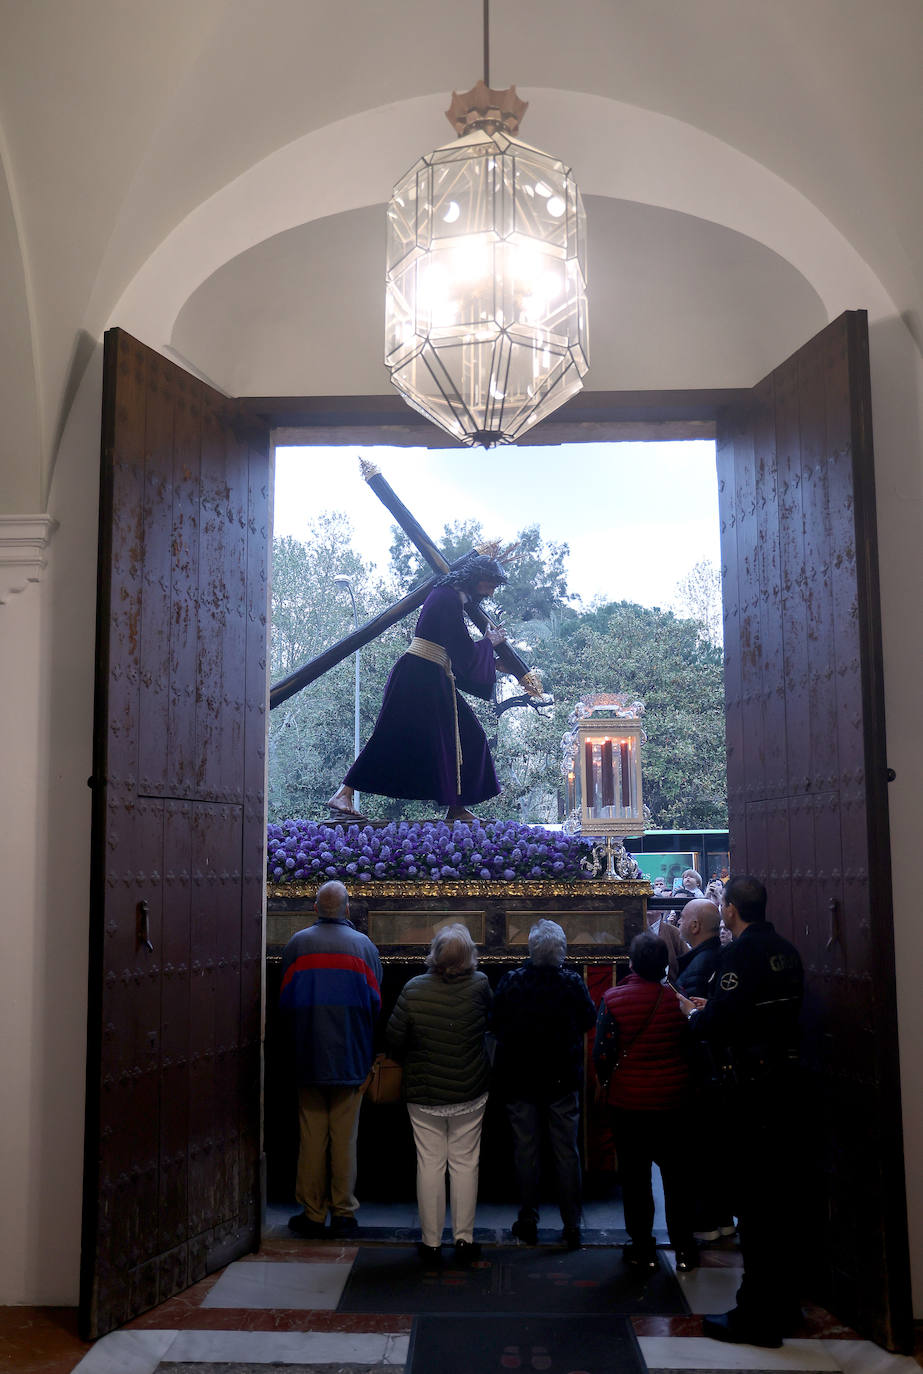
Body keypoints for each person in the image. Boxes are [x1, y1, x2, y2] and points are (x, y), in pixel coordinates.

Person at [678, 875, 804, 1347]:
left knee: (756, 1203)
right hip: (786, 1081)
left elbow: (725, 1019)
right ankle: (785, 1303)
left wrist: (697, 1015)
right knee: (780, 1203)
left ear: (729, 909)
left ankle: (757, 1314)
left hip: (752, 1089)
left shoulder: (739, 954)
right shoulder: (787, 950)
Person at [328, 555, 508, 822]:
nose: (492, 591)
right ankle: (343, 794)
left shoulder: (449, 597)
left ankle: (457, 807)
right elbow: (462, 650)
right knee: (390, 738)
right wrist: (488, 643)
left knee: (467, 737)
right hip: (418, 677)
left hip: (430, 676)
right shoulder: (447, 597)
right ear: (476, 577)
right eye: (491, 584)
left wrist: (489, 661)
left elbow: (454, 654)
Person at [279, 880, 382, 1238]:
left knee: (311, 1137)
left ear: (314, 908)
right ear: (348, 909)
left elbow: (285, 1003)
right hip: (350, 1057)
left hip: (307, 1055)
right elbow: (375, 1003)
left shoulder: (297, 945)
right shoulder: (364, 947)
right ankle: (343, 1211)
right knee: (344, 1138)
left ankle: (312, 1212)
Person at [387, 922, 492, 1266]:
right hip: (469, 1090)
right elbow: (489, 1024)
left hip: (425, 1092)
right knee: (465, 1164)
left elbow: (394, 1040)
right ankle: (464, 1239)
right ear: (469, 957)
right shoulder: (480, 985)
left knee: (429, 1164)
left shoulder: (414, 989)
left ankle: (430, 1242)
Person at [593, 933, 699, 1273]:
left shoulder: (614, 998)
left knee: (636, 1180)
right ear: (664, 965)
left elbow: (603, 1053)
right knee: (678, 1179)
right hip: (673, 1101)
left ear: (631, 963)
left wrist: (608, 1082)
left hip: (629, 1104)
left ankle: (642, 1248)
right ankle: (684, 1248)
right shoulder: (678, 1001)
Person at [490, 919, 596, 1250]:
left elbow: (495, 1022)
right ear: (561, 950)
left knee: (526, 1150)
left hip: (521, 1078)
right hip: (562, 1078)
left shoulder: (512, 981)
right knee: (566, 1151)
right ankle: (571, 1224)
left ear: (531, 947)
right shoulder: (572, 983)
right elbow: (589, 1020)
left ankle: (528, 1218)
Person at [675, 899, 723, 999]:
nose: (679, 921)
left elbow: (690, 1009)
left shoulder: (698, 968)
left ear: (695, 926)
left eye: (682, 917)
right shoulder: (722, 954)